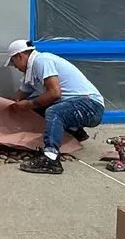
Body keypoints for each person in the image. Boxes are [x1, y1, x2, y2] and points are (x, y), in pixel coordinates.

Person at [7, 39, 104, 175]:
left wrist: (27, 104)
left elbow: (54, 93)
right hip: (80, 105)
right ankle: (74, 131)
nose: (14, 67)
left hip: (90, 106)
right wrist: (12, 105)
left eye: (13, 62)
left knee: (53, 111)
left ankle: (50, 159)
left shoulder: (41, 61)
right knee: (37, 106)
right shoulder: (31, 74)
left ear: (20, 56)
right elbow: (18, 98)